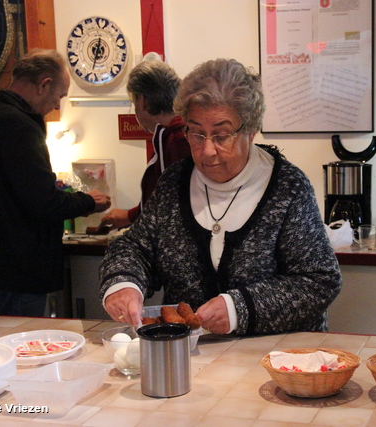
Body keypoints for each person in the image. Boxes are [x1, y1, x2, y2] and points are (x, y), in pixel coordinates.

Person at [100, 58, 342, 335]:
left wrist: (240, 308)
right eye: (196, 133)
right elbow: (135, 248)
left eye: (221, 135)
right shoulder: (174, 183)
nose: (207, 151)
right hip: (192, 361)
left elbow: (319, 281)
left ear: (250, 131)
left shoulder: (288, 187)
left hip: (279, 360)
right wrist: (123, 284)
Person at [0, 49, 111, 317]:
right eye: (60, 96)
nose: (57, 106)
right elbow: (43, 202)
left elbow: (17, 190)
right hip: (18, 266)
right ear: (44, 85)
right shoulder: (18, 125)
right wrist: (90, 201)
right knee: (24, 346)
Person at [100, 59, 190, 230]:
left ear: (143, 102)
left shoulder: (174, 139)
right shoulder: (176, 134)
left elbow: (168, 206)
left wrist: (131, 216)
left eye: (134, 104)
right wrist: (131, 215)